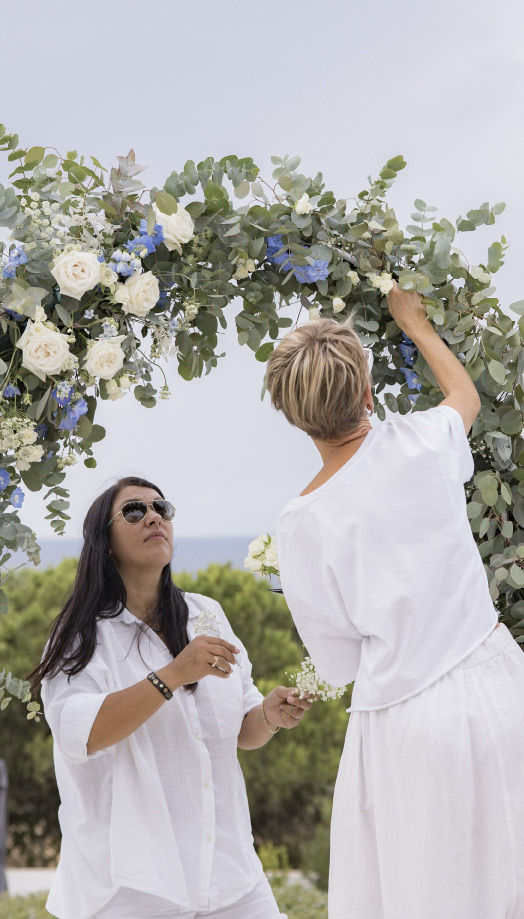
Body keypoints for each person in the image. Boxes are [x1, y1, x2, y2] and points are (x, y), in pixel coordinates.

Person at [264, 284, 524, 919]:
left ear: (293, 415)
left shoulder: (301, 523)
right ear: (365, 391)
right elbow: (464, 396)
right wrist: (417, 328)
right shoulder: (421, 442)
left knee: (424, 893)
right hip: (499, 687)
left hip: (407, 721)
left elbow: (338, 661)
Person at [28, 476, 312, 919]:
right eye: (135, 511)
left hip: (229, 872)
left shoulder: (206, 614)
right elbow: (80, 734)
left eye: (162, 508)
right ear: (104, 543)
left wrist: (270, 716)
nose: (155, 516)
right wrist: (173, 675)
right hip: (132, 883)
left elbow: (241, 729)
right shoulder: (80, 635)